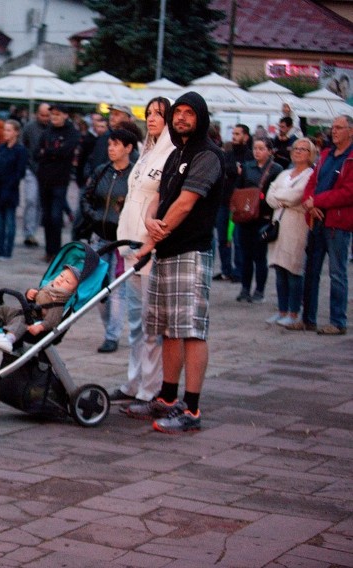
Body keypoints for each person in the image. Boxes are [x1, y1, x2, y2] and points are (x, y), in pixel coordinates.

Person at [127, 91, 225, 433]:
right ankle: (167, 398)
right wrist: (152, 220)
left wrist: (151, 238)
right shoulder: (175, 154)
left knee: (192, 331)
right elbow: (159, 198)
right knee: (167, 328)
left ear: (201, 118)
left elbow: (184, 204)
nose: (181, 117)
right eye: (178, 112)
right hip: (166, 250)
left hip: (191, 251)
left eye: (189, 113)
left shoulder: (207, 155)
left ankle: (192, 409)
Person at [110, 97, 174, 405]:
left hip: (149, 245)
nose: (151, 119)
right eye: (148, 114)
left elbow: (163, 200)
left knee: (151, 323)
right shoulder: (147, 152)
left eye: (159, 114)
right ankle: (134, 381)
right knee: (136, 320)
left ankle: (152, 385)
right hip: (129, 242)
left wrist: (150, 240)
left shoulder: (172, 154)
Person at [289, 115, 353, 335]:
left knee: (337, 273)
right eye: (332, 127)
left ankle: (338, 321)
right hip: (316, 219)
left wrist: (317, 201)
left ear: (350, 131)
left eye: (339, 128)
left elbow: (348, 193)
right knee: (311, 271)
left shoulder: (351, 158)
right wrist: (310, 203)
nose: (333, 131)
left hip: (337, 224)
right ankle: (308, 318)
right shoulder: (326, 155)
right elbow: (312, 182)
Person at [79, 128, 137, 354]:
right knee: (98, 287)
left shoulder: (135, 175)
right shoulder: (102, 171)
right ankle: (109, 330)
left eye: (116, 144)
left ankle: (112, 336)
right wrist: (92, 215)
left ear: (128, 148)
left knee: (118, 287)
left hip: (122, 239)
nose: (111, 148)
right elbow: (86, 196)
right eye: (110, 144)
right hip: (99, 235)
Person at [0, 262, 89, 354]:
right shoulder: (47, 288)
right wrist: (29, 293)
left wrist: (40, 327)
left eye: (67, 281)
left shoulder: (58, 304)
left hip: (31, 320)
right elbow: (35, 299)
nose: (61, 280)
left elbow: (53, 320)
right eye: (61, 276)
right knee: (3, 309)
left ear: (72, 291)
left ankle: (8, 340)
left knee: (20, 322)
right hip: (24, 311)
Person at [265, 139, 316, 327]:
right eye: (295, 149)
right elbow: (270, 194)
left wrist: (281, 197)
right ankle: (282, 310)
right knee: (279, 268)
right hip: (278, 222)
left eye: (303, 149)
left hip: (296, 225)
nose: (298, 152)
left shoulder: (310, 174)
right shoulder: (285, 173)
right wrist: (282, 199)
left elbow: (298, 196)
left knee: (293, 268)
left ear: (310, 153)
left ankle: (294, 312)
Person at [234, 137, 282, 304]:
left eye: (261, 148)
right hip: (246, 216)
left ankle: (259, 290)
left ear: (269, 150)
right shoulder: (247, 167)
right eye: (255, 148)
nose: (257, 151)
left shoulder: (276, 169)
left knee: (260, 256)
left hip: (264, 217)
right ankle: (245, 288)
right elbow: (238, 190)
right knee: (245, 255)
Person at [37, 104, 80, 262]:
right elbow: (38, 152)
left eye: (57, 114)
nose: (54, 118)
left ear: (65, 115)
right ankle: (49, 250)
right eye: (52, 115)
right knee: (47, 217)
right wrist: (52, 153)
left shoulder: (71, 133)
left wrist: (49, 152)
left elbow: (65, 152)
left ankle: (57, 252)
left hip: (60, 180)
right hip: (45, 178)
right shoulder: (47, 131)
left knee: (56, 217)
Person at [215, 124, 251, 283]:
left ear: (246, 137)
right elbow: (221, 170)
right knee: (222, 238)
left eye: (238, 134)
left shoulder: (250, 156)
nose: (234, 136)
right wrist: (234, 170)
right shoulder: (227, 155)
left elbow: (247, 174)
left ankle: (239, 271)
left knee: (238, 240)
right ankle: (225, 270)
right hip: (223, 201)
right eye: (233, 133)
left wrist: (232, 171)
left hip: (240, 204)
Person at [0, 120, 27, 260]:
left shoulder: (20, 150)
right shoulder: (1, 148)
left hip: (10, 189)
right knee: (0, 221)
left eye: (9, 130)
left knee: (10, 221)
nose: (6, 133)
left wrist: (9, 184)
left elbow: (20, 172)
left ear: (16, 132)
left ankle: (7, 250)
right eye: (5, 130)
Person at [19, 103, 50, 248]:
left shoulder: (52, 128)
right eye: (42, 115)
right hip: (31, 168)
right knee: (31, 200)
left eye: (47, 115)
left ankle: (32, 231)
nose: (44, 118)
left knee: (39, 203)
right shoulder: (30, 127)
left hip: (46, 170)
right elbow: (23, 145)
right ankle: (28, 232)